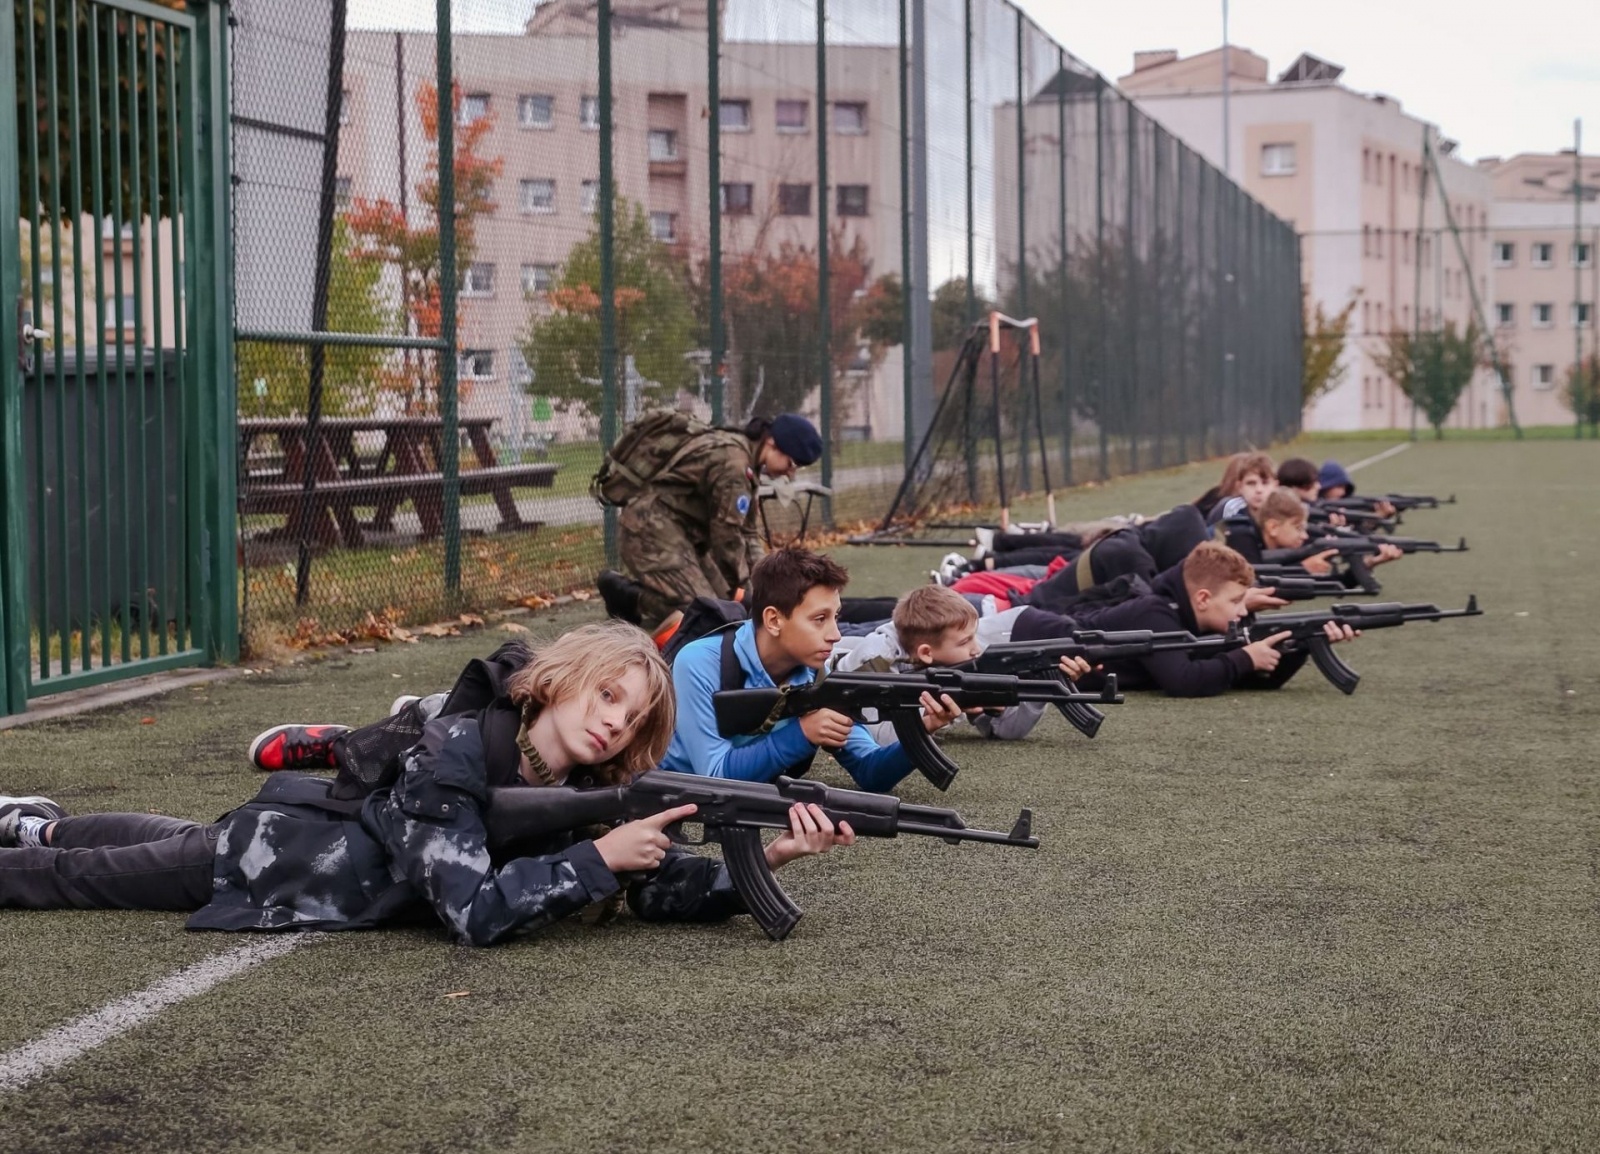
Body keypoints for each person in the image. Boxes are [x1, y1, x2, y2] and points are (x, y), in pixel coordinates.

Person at [0, 623, 852, 944]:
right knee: (88, 878)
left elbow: (659, 889)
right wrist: (596, 859)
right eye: (608, 696)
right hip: (277, 860)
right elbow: (472, 909)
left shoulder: (586, 783)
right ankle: (34, 841)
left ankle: (36, 821)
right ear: (560, 679)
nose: (613, 725)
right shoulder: (452, 749)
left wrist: (766, 858)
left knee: (145, 837)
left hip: (315, 852)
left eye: (631, 723)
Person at [664, 546, 963, 789]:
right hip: (660, 798)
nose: (836, 634)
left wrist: (922, 728)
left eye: (836, 617)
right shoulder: (700, 662)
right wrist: (802, 733)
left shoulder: (817, 676)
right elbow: (714, 778)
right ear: (774, 620)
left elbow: (870, 772)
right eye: (820, 619)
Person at [598, 411, 823, 639]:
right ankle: (629, 597)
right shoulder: (735, 464)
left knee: (726, 608)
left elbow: (748, 531)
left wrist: (764, 581)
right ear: (773, 442)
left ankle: (632, 597)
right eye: (792, 463)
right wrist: (747, 589)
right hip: (649, 533)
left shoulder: (746, 461)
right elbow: (727, 538)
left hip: (682, 537)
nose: (790, 473)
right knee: (707, 614)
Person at [1056, 541, 1357, 697]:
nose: (1243, 611)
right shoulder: (1155, 613)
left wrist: (1304, 642)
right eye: (1236, 601)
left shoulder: (1187, 620)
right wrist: (1244, 658)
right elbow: (1183, 681)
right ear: (1202, 599)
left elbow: (1254, 680)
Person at [832, 584, 1093, 743]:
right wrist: (930, 719)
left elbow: (1010, 730)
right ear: (925, 652)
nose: (976, 648)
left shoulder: (950, 662)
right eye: (965, 642)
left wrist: (1041, 682)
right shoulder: (875, 660)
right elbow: (879, 738)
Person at [1195, 452, 1276, 524]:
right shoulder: (1229, 507)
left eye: (1265, 483)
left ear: (1276, 485)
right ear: (1239, 485)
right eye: (1251, 483)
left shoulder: (1278, 507)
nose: (1259, 489)